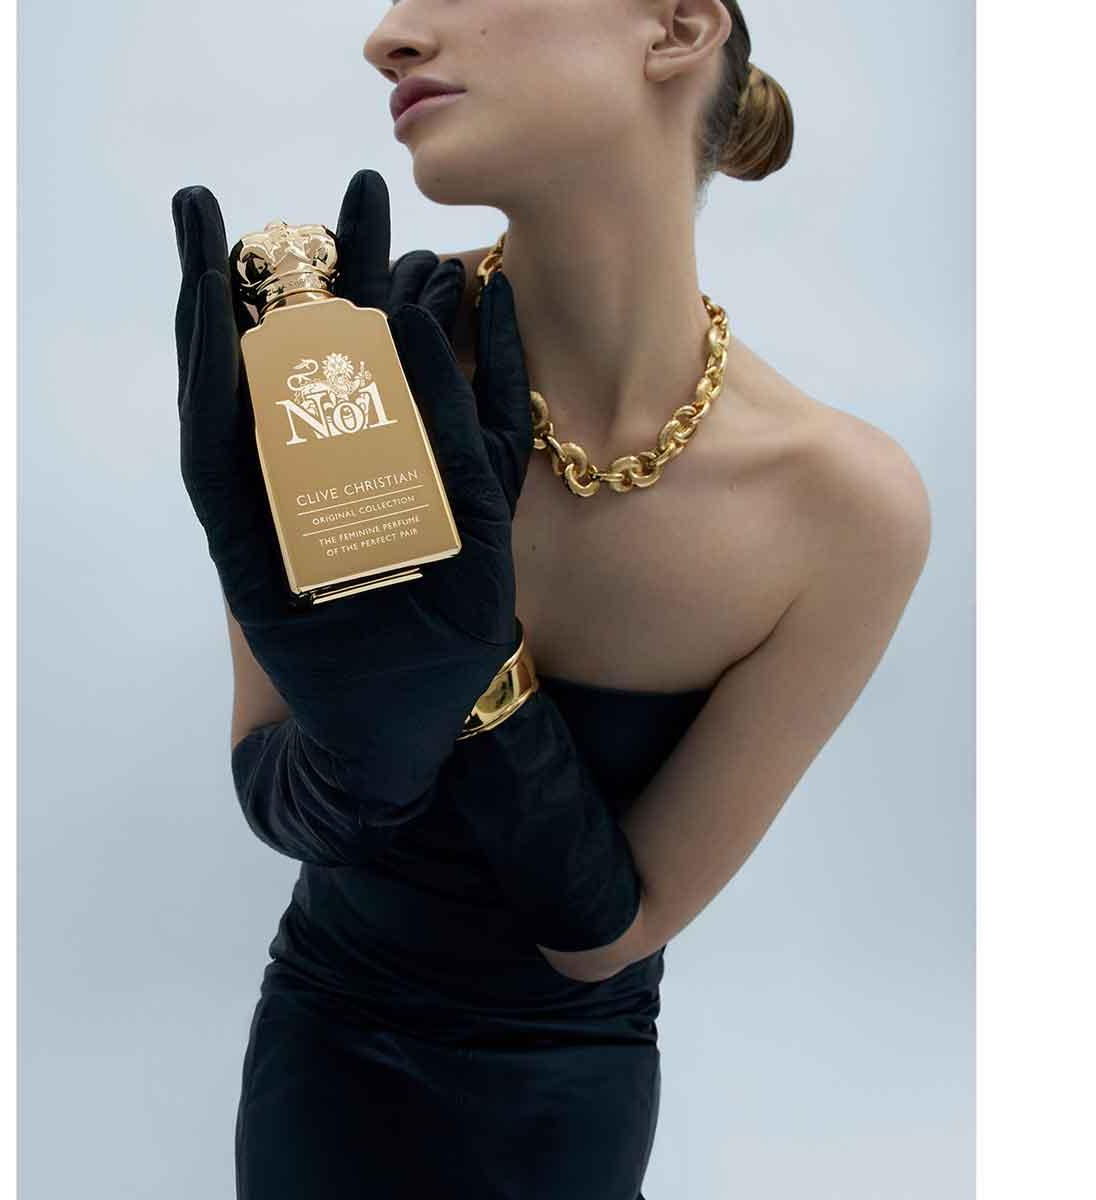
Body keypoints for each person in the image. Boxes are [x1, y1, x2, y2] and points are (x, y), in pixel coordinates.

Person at [172, 2, 932, 1196]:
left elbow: (610, 936)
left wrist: (476, 676)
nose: (388, 35)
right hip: (325, 1061)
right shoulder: (343, 375)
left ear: (676, 28)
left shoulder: (842, 507)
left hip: (560, 1099)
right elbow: (273, 785)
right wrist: (362, 746)